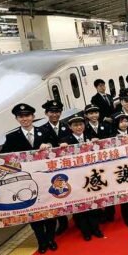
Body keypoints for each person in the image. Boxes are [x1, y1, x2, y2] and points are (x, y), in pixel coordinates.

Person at [0, 103, 57, 254]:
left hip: (45, 179)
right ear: (17, 119)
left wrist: (50, 145)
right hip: (25, 182)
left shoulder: (44, 131)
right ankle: (42, 242)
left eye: (27, 116)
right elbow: (1, 155)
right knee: (33, 213)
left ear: (33, 116)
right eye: (21, 116)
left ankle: (51, 239)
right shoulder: (12, 137)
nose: (24, 119)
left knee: (50, 210)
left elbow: (57, 147)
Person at [59, 116, 104, 241]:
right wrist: (60, 147)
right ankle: (86, 232)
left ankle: (96, 229)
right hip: (75, 180)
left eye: (80, 124)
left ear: (84, 125)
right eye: (75, 125)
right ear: (70, 127)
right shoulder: (65, 141)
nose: (78, 127)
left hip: (91, 177)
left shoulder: (91, 136)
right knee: (80, 208)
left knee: (93, 205)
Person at [38, 99, 71, 235]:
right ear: (46, 113)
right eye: (52, 112)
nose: (55, 114)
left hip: (68, 166)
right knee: (56, 194)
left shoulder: (67, 126)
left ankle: (75, 218)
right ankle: (62, 221)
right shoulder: (41, 130)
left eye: (57, 112)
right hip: (52, 168)